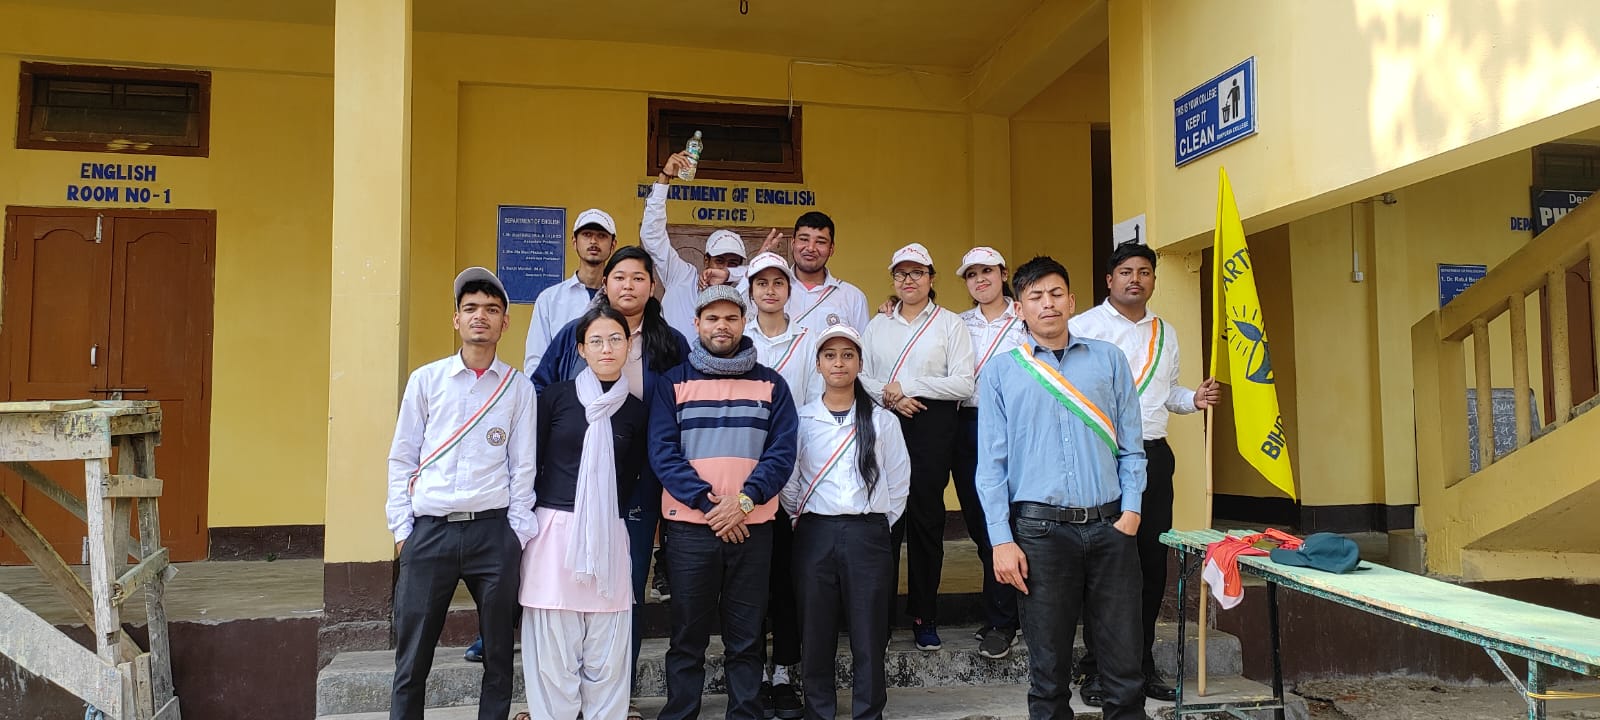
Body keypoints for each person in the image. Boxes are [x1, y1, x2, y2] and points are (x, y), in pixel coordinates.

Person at [976, 256, 1148, 720]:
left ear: (1072, 301)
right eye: (1035, 296)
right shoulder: (1000, 372)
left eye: (1056, 294)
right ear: (1019, 309)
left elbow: (1132, 446)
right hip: (1040, 534)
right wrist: (1001, 540)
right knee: (1048, 672)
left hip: (1111, 527)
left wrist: (1131, 511)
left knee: (1124, 667)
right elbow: (990, 467)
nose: (1047, 304)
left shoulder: (1108, 359)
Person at [534, 246, 689, 720]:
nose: (628, 285)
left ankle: (618, 696)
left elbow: (684, 401)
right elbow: (540, 388)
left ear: (652, 286)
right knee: (559, 596)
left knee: (625, 588)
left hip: (638, 476)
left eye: (639, 277)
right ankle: (559, 701)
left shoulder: (669, 342)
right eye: (620, 276)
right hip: (569, 485)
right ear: (606, 283)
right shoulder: (575, 333)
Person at [1067, 241, 1221, 705]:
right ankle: (1098, 668)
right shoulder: (1083, 327)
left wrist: (1194, 399)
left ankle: (1140, 665)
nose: (1135, 279)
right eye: (1126, 271)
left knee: (1150, 566)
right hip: (1102, 457)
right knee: (1106, 566)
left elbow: (1167, 392)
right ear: (1109, 279)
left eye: (1144, 272)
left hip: (1153, 456)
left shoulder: (1165, 332)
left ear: (1153, 279)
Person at [386, 267, 536, 720]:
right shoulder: (426, 380)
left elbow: (523, 467)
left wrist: (516, 535)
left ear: (505, 322)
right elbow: (402, 457)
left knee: (498, 656)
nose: (480, 317)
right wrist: (402, 530)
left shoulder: (518, 388)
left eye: (491, 309)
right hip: (429, 533)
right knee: (412, 658)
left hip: (493, 534)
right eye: (470, 308)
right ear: (456, 319)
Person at [650, 285, 799, 720]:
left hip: (752, 528)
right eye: (712, 318)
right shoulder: (673, 383)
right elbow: (663, 452)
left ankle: (746, 713)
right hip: (689, 530)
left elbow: (782, 453)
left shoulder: (772, 385)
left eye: (731, 318)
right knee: (687, 637)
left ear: (743, 323)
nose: (722, 326)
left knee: (747, 637)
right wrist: (711, 505)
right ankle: (680, 713)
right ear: (696, 324)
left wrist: (745, 502)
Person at [516, 305, 649, 720]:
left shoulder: (636, 411)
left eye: (615, 339)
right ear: (581, 349)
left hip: (608, 534)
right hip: (554, 531)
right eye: (596, 340)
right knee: (553, 652)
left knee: (607, 653)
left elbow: (633, 476)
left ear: (629, 346)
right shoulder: (555, 398)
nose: (607, 348)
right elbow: (529, 463)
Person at [781, 323, 910, 720]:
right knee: (815, 631)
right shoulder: (802, 419)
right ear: (818, 365)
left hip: (867, 534)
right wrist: (806, 519)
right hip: (815, 532)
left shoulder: (883, 421)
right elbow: (790, 482)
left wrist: (876, 524)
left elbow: (898, 481)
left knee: (869, 632)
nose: (839, 363)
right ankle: (818, 711)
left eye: (848, 355)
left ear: (860, 363)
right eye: (830, 356)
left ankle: (868, 712)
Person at [859, 243, 975, 650]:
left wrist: (908, 387)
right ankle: (881, 619)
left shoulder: (950, 325)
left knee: (926, 522)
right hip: (885, 423)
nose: (908, 280)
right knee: (884, 523)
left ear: (931, 278)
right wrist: (891, 398)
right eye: (901, 274)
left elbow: (964, 383)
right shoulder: (877, 325)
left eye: (917, 273)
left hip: (933, 426)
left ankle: (925, 616)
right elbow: (862, 375)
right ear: (893, 280)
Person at [740, 250, 815, 718]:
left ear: (789, 289)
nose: (770, 290)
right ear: (750, 291)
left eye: (778, 282)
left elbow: (816, 406)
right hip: (744, 476)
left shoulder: (809, 339)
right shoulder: (738, 339)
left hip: (795, 471)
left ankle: (784, 671)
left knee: (788, 580)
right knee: (751, 585)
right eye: (761, 283)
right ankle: (752, 676)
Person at [950, 246, 1030, 660]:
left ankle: (1008, 621)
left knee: (1017, 519)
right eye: (971, 274)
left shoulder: (1025, 317)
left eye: (987, 271)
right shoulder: (956, 323)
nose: (980, 279)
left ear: (1003, 274)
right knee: (982, 524)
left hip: (1017, 424)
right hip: (969, 424)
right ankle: (1000, 612)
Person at [643, 151, 752, 335]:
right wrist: (664, 178)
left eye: (733, 263)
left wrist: (729, 274)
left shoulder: (743, 293)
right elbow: (652, 236)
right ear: (706, 260)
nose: (723, 268)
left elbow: (758, 275)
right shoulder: (681, 277)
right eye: (719, 261)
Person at [524, 208, 618, 373]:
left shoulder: (619, 298)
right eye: (587, 235)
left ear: (613, 245)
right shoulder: (549, 299)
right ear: (574, 242)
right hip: (562, 388)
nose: (594, 241)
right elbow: (536, 360)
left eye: (602, 236)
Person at [783, 211, 871, 336]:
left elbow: (863, 346)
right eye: (804, 239)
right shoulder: (772, 292)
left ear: (831, 249)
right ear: (793, 244)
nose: (811, 248)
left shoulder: (853, 297)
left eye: (820, 242)